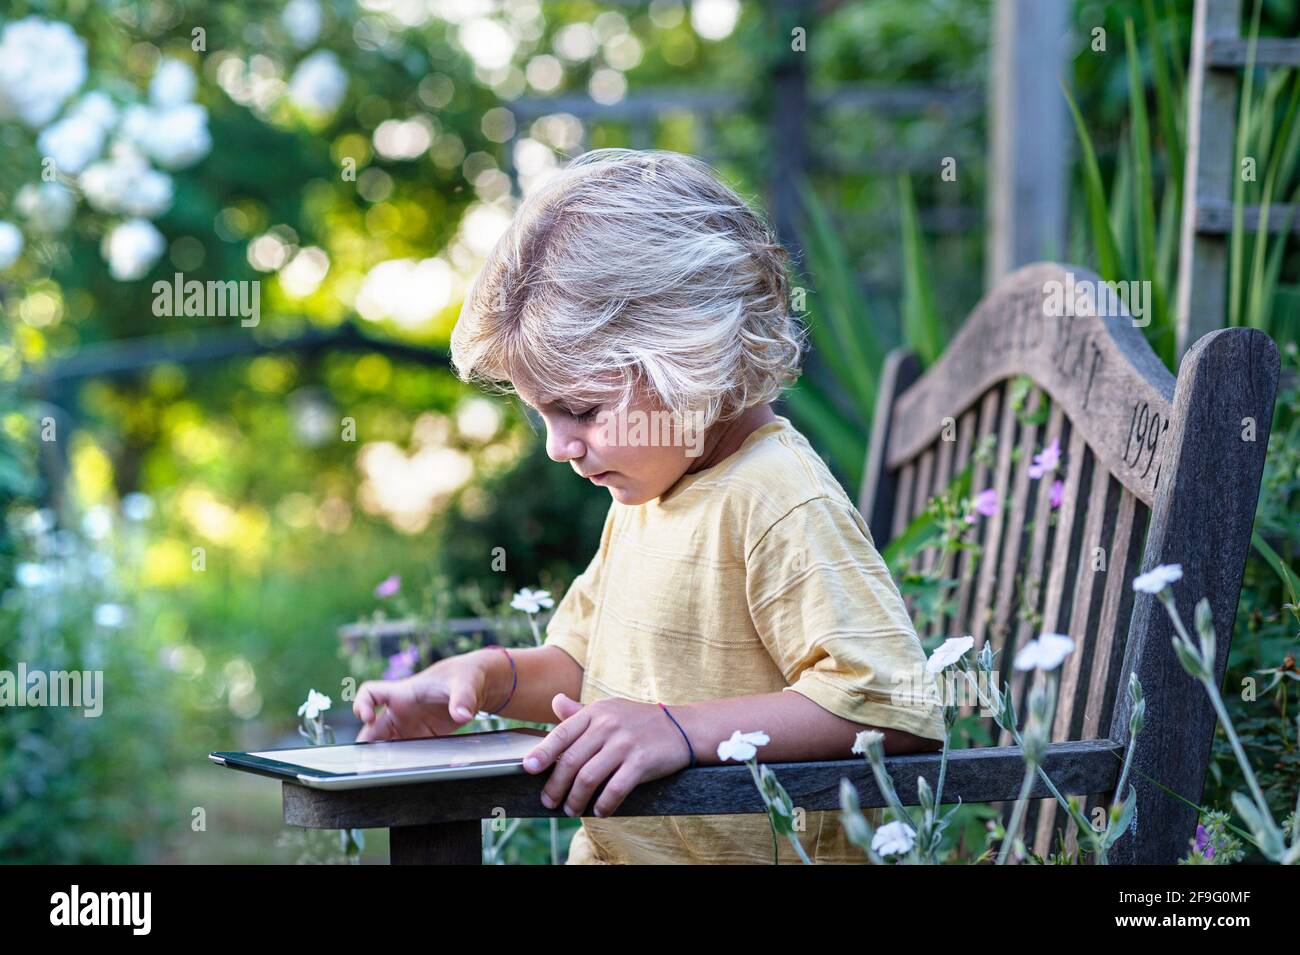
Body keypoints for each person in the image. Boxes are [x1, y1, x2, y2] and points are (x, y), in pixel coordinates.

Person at [353, 148, 946, 864]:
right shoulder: (651, 488)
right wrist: (485, 676)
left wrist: (679, 729)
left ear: (686, 355)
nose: (558, 446)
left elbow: (890, 705)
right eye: (546, 415)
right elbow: (586, 665)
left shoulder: (778, 496)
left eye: (580, 409)